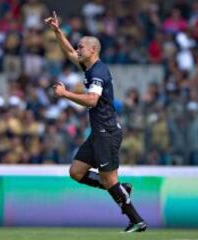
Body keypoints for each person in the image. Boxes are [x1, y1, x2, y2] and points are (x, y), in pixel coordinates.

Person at [45, 11, 147, 232]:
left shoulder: (98, 71)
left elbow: (92, 99)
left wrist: (65, 94)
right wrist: (57, 31)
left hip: (107, 132)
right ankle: (121, 190)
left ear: (93, 50)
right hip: (98, 132)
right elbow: (69, 52)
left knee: (109, 180)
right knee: (76, 172)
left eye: (81, 46)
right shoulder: (89, 67)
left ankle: (136, 220)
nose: (77, 49)